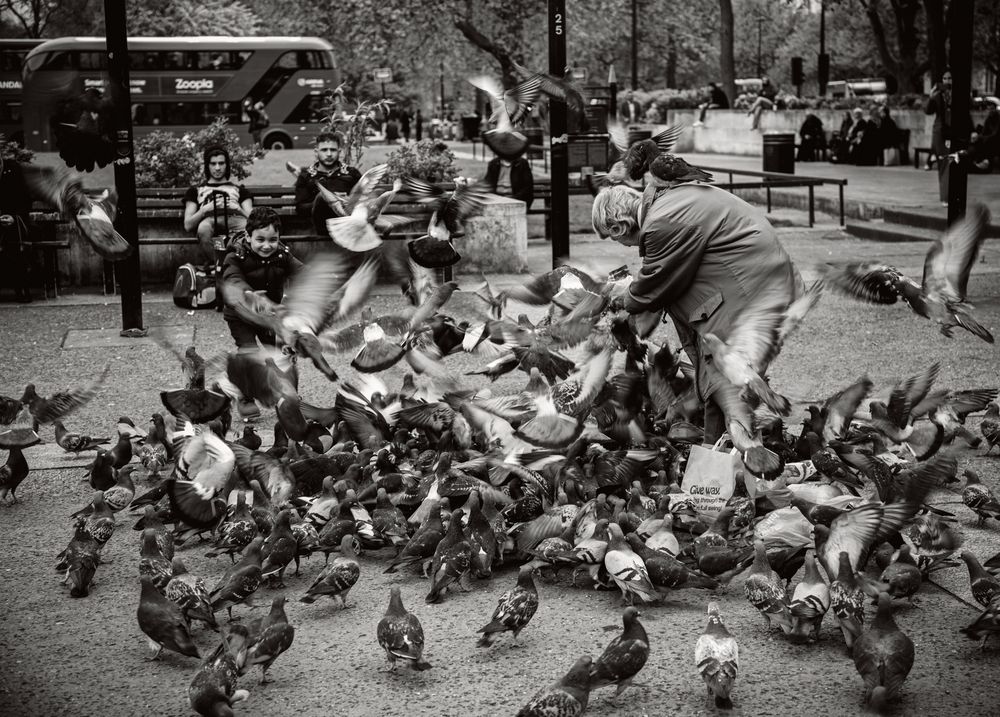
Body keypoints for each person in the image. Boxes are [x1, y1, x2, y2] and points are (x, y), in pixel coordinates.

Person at [592, 182, 803, 476]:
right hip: (755, 284)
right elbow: (664, 285)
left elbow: (652, 286)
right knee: (719, 379)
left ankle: (746, 455)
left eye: (615, 239)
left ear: (619, 227)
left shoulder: (659, 224)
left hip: (745, 294)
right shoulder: (669, 204)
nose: (626, 247)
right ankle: (711, 466)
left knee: (724, 380)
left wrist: (618, 302)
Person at [221, 207, 303, 351]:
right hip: (240, 314)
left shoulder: (282, 256)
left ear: (279, 238)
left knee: (281, 353)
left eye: (273, 240)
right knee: (250, 352)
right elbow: (232, 278)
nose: (266, 246)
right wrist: (247, 294)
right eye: (260, 239)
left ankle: (275, 371)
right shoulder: (235, 257)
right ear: (248, 236)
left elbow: (303, 272)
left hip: (268, 315)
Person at [291, 131, 362, 236]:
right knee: (322, 197)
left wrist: (346, 201)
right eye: (324, 150)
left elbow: (362, 201)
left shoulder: (351, 173)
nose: (329, 154)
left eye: (333, 150)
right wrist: (323, 202)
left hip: (346, 225)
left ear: (339, 151)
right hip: (319, 227)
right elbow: (300, 208)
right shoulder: (307, 176)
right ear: (316, 152)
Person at [0, 154, 32, 302]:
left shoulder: (13, 169)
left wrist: (14, 216)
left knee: (16, 248)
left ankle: (22, 290)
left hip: (14, 220)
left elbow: (24, 198)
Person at [925, 69, 953, 201]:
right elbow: (928, 111)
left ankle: (952, 194)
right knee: (943, 163)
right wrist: (931, 96)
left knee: (953, 163)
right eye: (944, 78)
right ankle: (945, 196)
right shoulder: (938, 96)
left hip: (954, 131)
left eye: (950, 78)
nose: (947, 81)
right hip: (940, 131)